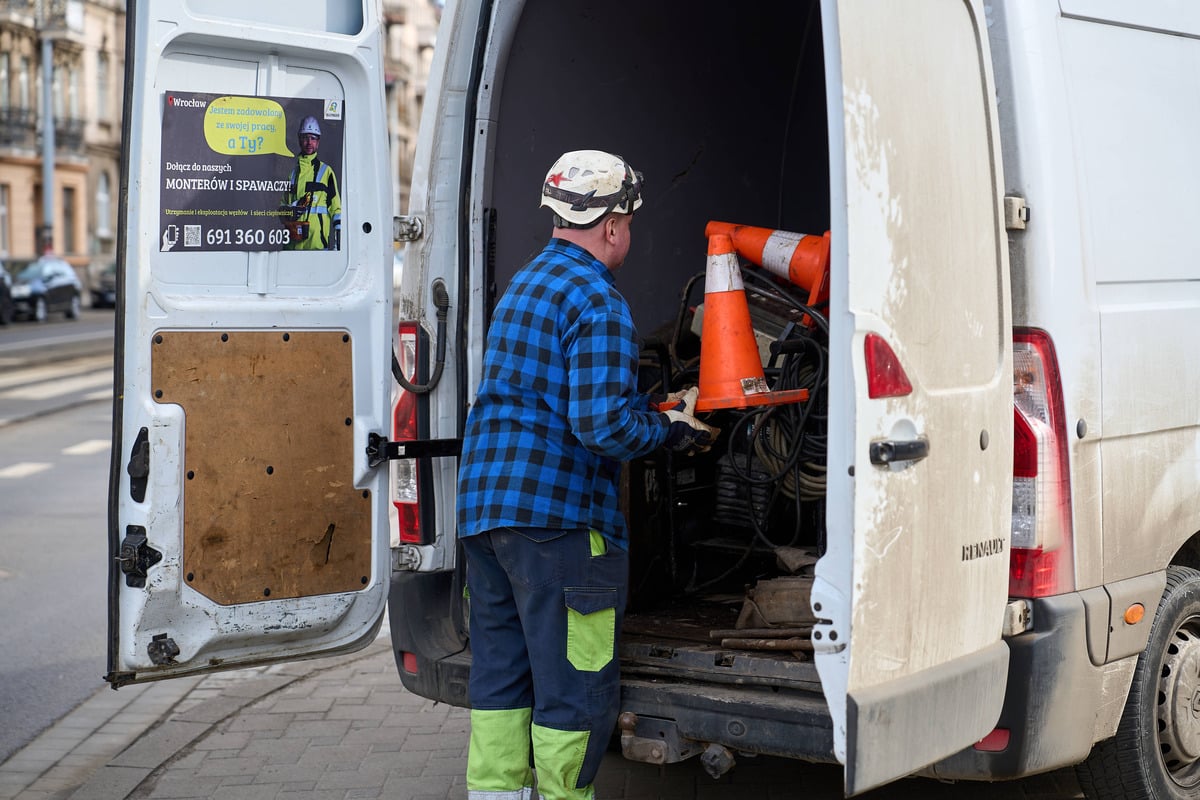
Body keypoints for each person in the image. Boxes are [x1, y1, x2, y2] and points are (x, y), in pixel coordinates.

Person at [456, 149, 715, 800]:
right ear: (612, 226)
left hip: (487, 518)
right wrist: (671, 430)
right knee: (574, 689)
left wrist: (640, 409)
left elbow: (545, 396)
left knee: (502, 680)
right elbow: (602, 428)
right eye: (629, 222)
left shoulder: (526, 285)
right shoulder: (599, 301)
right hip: (560, 527)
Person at [280, 115, 341, 250]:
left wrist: (339, 241)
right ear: (299, 140)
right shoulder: (292, 174)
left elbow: (336, 209)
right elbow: (282, 209)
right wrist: (290, 210)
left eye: (313, 138)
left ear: (318, 142)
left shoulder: (326, 172)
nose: (309, 142)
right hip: (292, 249)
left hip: (317, 248)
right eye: (305, 138)